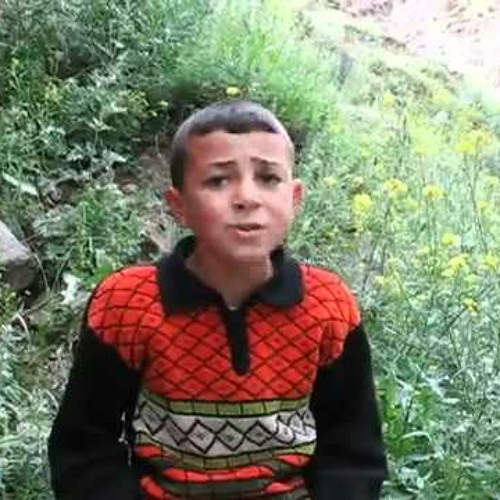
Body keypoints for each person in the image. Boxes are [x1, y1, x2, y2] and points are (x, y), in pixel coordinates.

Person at [48, 100, 387, 499]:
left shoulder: (328, 305)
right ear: (179, 206)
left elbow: (352, 450)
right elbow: (84, 448)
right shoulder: (128, 304)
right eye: (218, 181)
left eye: (268, 178)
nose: (246, 197)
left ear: (294, 198)